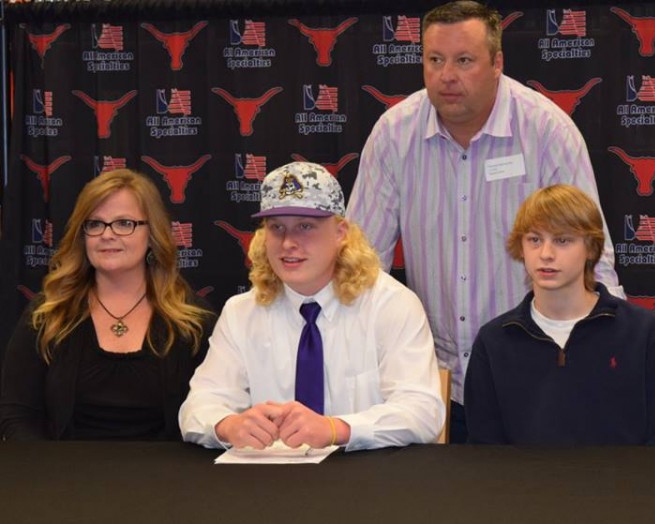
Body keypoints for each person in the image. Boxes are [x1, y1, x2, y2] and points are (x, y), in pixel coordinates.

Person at [347, 0, 622, 443]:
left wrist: (604, 359)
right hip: (428, 379)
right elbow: (359, 265)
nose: (446, 75)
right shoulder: (393, 134)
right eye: (434, 60)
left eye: (464, 61)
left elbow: (593, 257)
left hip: (535, 372)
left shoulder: (547, 131)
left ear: (497, 63)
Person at [179, 162, 444, 451]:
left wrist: (335, 429)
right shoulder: (241, 312)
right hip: (269, 485)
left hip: (367, 484)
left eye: (305, 226)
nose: (289, 242)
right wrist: (229, 425)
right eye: (276, 227)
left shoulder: (390, 304)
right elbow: (198, 405)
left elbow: (422, 411)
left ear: (341, 231)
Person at [0, 169, 215, 440]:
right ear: (83, 235)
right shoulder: (47, 314)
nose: (107, 234)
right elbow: (17, 414)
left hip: (166, 479)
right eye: (95, 224)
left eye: (124, 223)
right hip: (63, 477)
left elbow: (214, 413)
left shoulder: (194, 322)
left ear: (152, 234)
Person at [464, 185, 655, 445]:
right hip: (524, 486)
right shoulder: (494, 341)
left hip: (623, 485)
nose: (546, 254)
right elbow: (485, 453)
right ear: (520, 247)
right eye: (535, 240)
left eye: (562, 240)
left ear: (591, 248)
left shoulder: (644, 332)